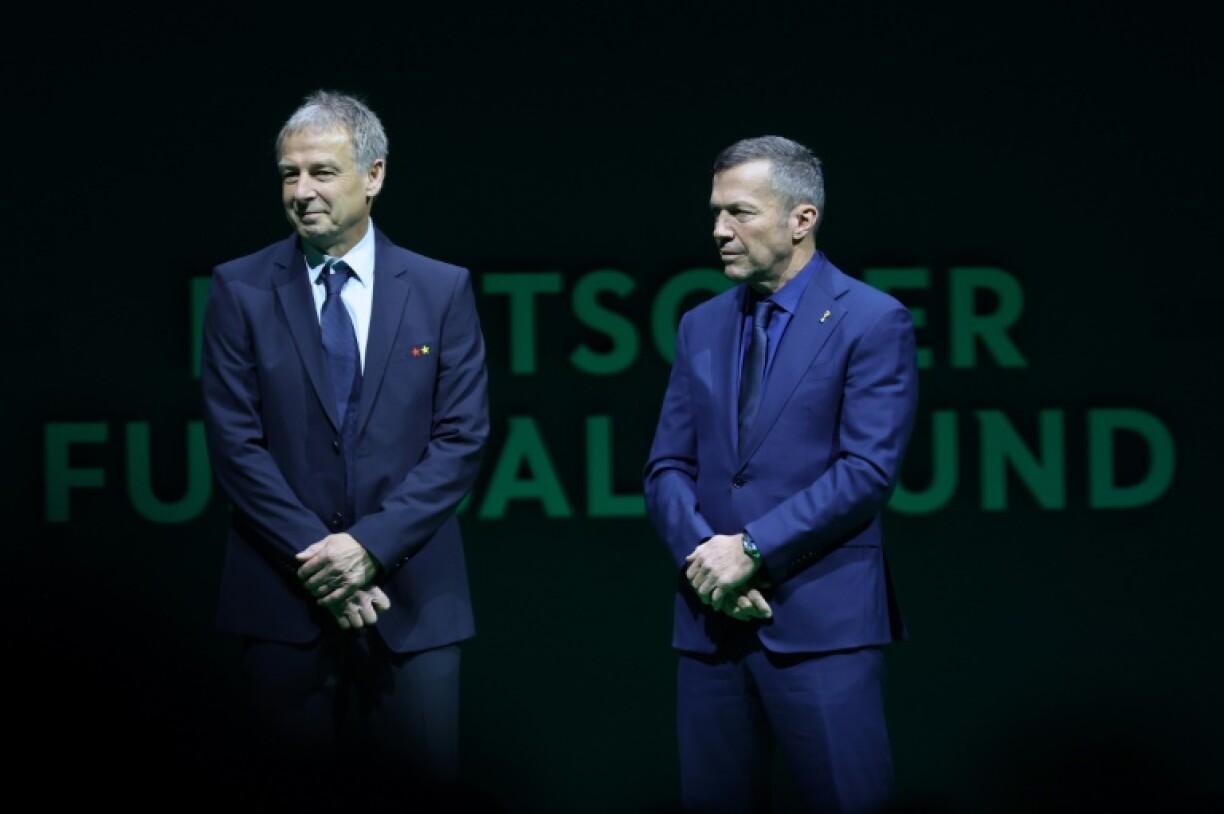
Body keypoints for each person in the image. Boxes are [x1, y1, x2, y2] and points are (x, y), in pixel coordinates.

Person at [200, 89, 489, 809]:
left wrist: (369, 548)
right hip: (282, 599)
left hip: (414, 602)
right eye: (289, 174)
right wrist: (322, 559)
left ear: (374, 175)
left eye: (322, 172)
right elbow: (235, 446)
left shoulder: (440, 288)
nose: (302, 192)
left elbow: (460, 439)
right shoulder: (239, 288)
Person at [642, 136, 919, 814]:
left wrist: (753, 549)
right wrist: (708, 562)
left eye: (740, 212)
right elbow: (667, 466)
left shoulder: (871, 320)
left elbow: (866, 470)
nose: (719, 231)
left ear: (802, 219)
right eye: (716, 212)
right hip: (712, 627)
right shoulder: (700, 325)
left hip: (821, 626)